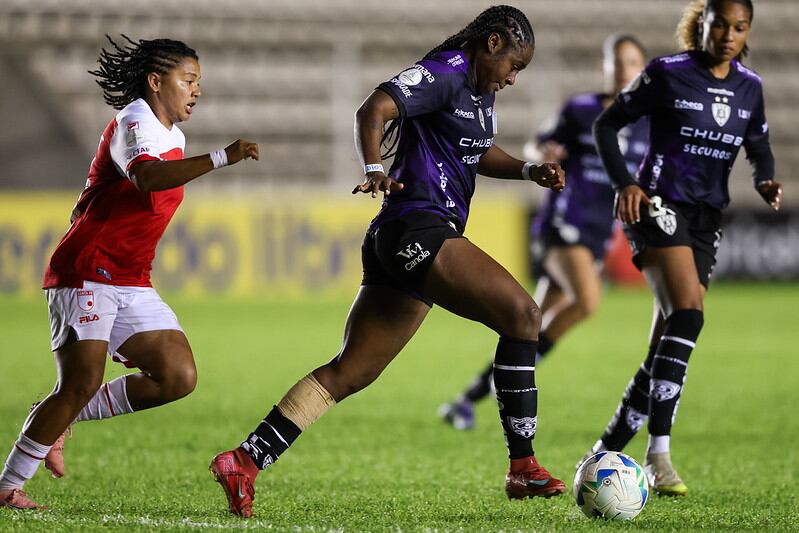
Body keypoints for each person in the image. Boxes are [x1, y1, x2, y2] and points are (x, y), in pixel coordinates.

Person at [209, 5, 567, 518]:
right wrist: (374, 166)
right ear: (491, 43)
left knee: (351, 371)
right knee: (525, 317)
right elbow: (372, 109)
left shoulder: (478, 93)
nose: (513, 78)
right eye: (514, 65)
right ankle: (523, 466)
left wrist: (530, 170)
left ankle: (244, 460)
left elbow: (476, 151)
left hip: (404, 238)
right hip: (416, 226)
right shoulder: (445, 72)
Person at [0, 35, 259, 509]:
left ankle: (56, 416)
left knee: (176, 376)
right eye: (189, 80)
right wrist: (222, 156)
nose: (197, 90)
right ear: (156, 81)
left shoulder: (173, 136)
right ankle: (6, 486)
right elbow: (146, 177)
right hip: (87, 271)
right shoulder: (134, 121)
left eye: (199, 81)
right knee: (78, 384)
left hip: (130, 277)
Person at [580, 0, 781, 496]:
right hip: (656, 206)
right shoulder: (666, 73)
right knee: (688, 313)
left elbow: (757, 144)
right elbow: (606, 125)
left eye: (740, 27)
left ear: (746, 31)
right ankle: (658, 453)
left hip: (706, 219)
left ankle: (603, 452)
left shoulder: (749, 87)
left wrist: (765, 178)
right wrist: (625, 183)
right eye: (721, 24)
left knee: (664, 349)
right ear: (702, 24)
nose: (729, 34)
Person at [438, 34, 649, 431]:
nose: (624, 70)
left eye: (632, 63)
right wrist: (542, 158)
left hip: (597, 234)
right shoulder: (581, 110)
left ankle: (467, 399)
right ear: (606, 68)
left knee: (529, 327)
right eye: (617, 62)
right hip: (563, 226)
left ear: (642, 70)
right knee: (587, 301)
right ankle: (508, 379)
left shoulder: (644, 124)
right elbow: (537, 145)